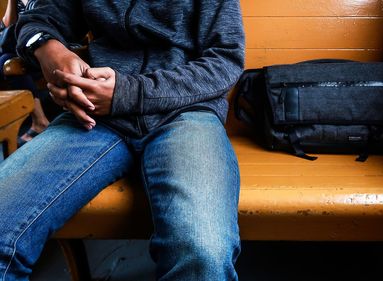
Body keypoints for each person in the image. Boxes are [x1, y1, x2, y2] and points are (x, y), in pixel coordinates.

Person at [0, 0, 245, 280]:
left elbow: (225, 61)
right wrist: (47, 48)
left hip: (186, 113)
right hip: (96, 116)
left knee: (200, 253)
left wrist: (126, 93)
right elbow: (40, 17)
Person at [0, 0, 50, 146]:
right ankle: (37, 121)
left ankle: (40, 121)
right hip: (21, 50)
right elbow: (8, 25)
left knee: (7, 61)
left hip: (45, 44)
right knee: (6, 60)